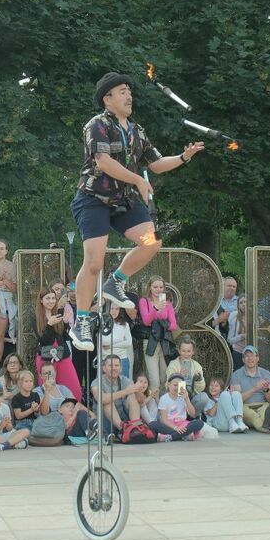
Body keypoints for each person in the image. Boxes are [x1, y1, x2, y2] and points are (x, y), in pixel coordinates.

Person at [68, 71, 204, 353]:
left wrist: (183, 157)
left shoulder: (136, 130)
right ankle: (81, 320)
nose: (129, 95)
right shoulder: (97, 125)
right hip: (93, 198)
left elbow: (155, 163)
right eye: (122, 91)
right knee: (93, 262)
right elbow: (103, 162)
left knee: (151, 241)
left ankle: (115, 281)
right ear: (107, 99)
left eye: (129, 90)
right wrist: (139, 180)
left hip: (123, 200)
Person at [34, 289, 82, 397]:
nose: (51, 301)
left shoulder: (58, 313)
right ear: (41, 300)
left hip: (62, 356)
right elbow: (43, 341)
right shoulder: (36, 317)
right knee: (48, 391)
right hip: (46, 359)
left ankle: (71, 411)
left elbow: (65, 337)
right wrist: (49, 325)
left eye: (53, 298)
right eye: (47, 298)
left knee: (75, 390)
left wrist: (65, 324)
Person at [229, 345, 270, 433]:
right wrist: (255, 388)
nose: (250, 358)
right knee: (252, 416)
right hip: (244, 407)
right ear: (243, 359)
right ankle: (269, 428)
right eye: (247, 356)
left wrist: (266, 390)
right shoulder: (236, 375)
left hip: (263, 404)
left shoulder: (266, 374)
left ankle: (268, 424)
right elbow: (237, 399)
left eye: (252, 355)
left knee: (266, 412)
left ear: (257, 358)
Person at [91, 354, 145, 429]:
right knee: (107, 401)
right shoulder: (96, 382)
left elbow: (141, 400)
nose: (114, 368)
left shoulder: (125, 380)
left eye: (116, 365)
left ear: (121, 368)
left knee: (132, 396)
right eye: (110, 365)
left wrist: (137, 390)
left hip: (123, 418)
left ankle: (135, 428)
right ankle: (123, 430)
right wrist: (126, 391)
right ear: (104, 368)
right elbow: (102, 399)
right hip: (104, 422)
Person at [148, 374, 204, 440]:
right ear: (169, 385)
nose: (177, 388)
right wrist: (176, 428)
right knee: (152, 424)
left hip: (182, 424)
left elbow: (192, 414)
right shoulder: (164, 398)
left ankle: (170, 437)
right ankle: (183, 436)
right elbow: (164, 420)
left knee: (199, 423)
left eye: (179, 385)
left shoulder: (183, 397)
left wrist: (186, 399)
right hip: (169, 425)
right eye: (175, 385)